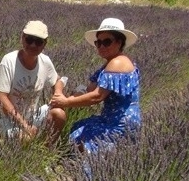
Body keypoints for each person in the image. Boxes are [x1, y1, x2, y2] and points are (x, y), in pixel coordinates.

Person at [50, 17, 141, 153]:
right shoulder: (112, 62)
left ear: (119, 42)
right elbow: (90, 89)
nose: (102, 46)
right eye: (98, 43)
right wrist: (69, 93)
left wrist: (66, 102)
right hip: (112, 118)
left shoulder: (117, 63)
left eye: (107, 42)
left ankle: (92, 167)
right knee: (79, 127)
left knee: (83, 137)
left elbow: (97, 96)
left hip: (119, 122)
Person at [0, 20, 67, 144]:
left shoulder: (45, 61)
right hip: (8, 119)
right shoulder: (9, 61)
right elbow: (1, 97)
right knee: (26, 139)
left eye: (38, 42)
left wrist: (58, 94)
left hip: (33, 115)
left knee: (59, 114)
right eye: (29, 40)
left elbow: (57, 80)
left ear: (45, 44)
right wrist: (25, 126)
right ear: (22, 38)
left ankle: (47, 149)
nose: (33, 45)